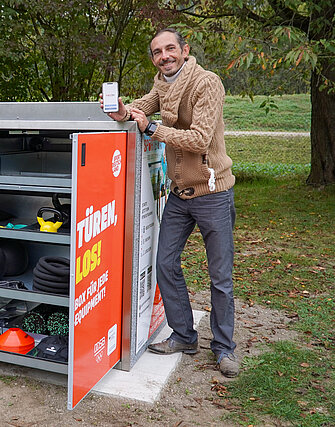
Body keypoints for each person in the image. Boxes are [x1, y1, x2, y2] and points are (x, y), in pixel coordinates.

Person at [102, 28, 238, 377]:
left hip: (213, 193)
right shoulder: (161, 83)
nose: (164, 56)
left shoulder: (207, 83)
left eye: (170, 49)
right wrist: (123, 110)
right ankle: (184, 336)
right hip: (180, 195)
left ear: (184, 50)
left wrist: (152, 128)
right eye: (157, 52)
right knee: (164, 263)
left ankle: (224, 348)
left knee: (220, 278)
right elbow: (143, 106)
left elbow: (199, 138)